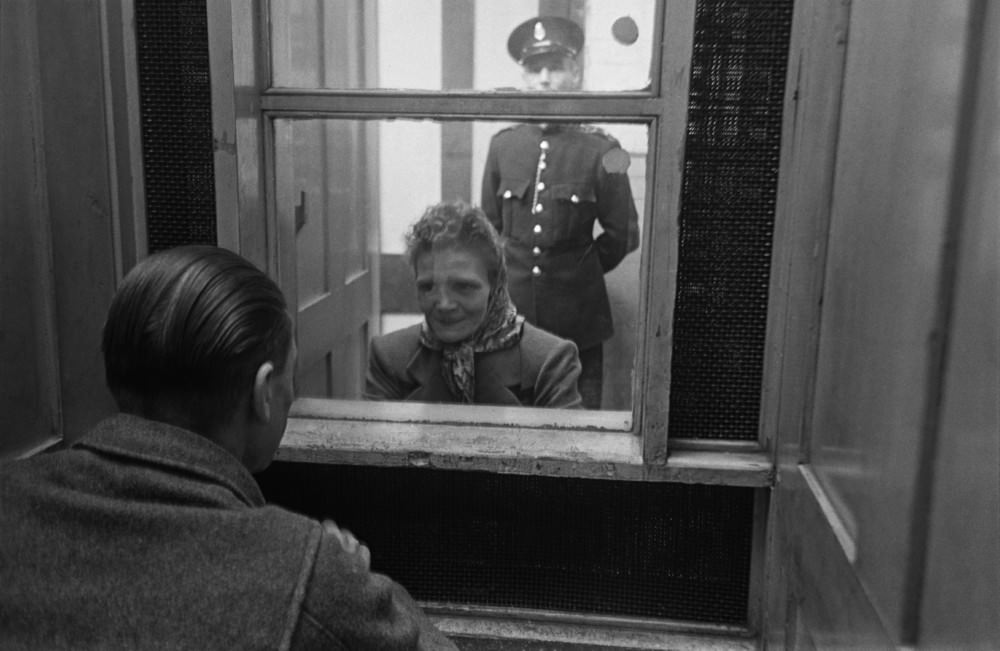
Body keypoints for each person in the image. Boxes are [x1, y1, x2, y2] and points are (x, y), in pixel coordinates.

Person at [0, 245, 456, 650]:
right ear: (263, 393)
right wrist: (359, 583)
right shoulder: (306, 572)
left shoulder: (9, 494)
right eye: (291, 375)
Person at [481, 15, 641, 410]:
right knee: (508, 424)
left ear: (575, 74)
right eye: (535, 69)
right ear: (524, 77)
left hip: (578, 326)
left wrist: (578, 270)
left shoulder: (604, 150)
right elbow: (489, 230)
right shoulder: (502, 146)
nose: (544, 80)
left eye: (555, 68)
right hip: (512, 321)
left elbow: (624, 233)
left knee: (578, 425)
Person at [366, 200, 582, 408]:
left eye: (463, 287)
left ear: (495, 286)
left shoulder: (549, 362)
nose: (444, 304)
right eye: (428, 287)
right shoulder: (389, 357)